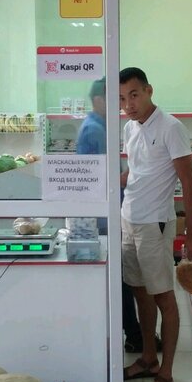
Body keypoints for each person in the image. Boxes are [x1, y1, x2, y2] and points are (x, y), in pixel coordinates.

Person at [119, 67, 192, 382]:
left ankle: (166, 375)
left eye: (134, 95)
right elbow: (136, 173)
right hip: (129, 220)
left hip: (155, 224)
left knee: (164, 297)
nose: (129, 104)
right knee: (140, 293)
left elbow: (188, 183)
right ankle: (148, 358)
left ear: (149, 90)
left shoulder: (171, 128)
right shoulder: (129, 128)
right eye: (123, 99)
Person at [74, 79, 148, 354]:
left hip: (111, 211)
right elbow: (93, 180)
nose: (121, 104)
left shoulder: (103, 126)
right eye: (115, 98)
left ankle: (134, 333)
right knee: (121, 279)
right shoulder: (94, 130)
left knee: (122, 277)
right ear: (98, 101)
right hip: (104, 217)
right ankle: (134, 334)